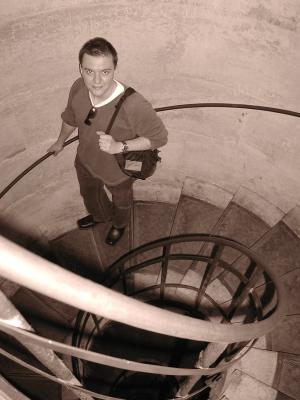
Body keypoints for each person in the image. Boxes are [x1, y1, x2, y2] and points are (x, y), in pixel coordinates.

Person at [47, 37, 168, 246]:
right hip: (85, 160)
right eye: (89, 71)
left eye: (105, 72)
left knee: (121, 202)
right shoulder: (78, 88)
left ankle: (119, 225)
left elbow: (159, 137)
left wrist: (119, 146)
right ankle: (101, 216)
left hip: (118, 172)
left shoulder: (134, 105)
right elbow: (70, 118)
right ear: (80, 69)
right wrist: (60, 141)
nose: (96, 81)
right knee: (89, 194)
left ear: (115, 69)